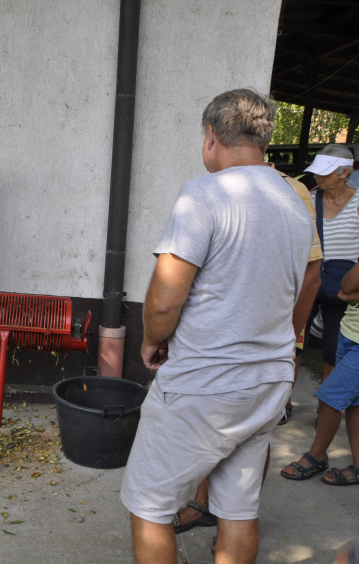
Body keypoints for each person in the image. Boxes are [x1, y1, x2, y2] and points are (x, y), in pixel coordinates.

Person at [120, 89, 314, 564]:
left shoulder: (204, 194)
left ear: (212, 136)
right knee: (238, 511)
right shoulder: (293, 202)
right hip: (268, 381)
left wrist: (150, 340)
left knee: (148, 507)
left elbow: (165, 300)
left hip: (204, 383)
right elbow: (305, 281)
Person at [172, 158, 323, 533]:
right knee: (213, 429)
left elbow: (312, 273)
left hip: (265, 337)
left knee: (252, 433)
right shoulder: (216, 185)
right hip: (217, 340)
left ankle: (235, 517)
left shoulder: (293, 191)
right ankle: (210, 507)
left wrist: (286, 337)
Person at [280, 259, 359, 485]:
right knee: (355, 404)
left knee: (329, 397)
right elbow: (346, 286)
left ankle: (316, 456)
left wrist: (349, 296)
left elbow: (346, 292)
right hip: (349, 334)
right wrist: (348, 294)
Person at [302, 145, 358, 382]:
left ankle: (325, 407)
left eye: (324, 172)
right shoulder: (311, 199)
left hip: (342, 286)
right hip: (310, 281)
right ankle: (284, 404)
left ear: (345, 173)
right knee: (294, 343)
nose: (317, 177)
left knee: (333, 349)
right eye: (316, 171)